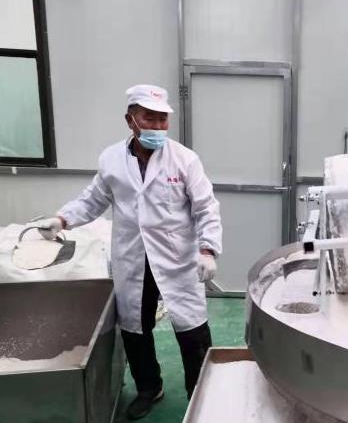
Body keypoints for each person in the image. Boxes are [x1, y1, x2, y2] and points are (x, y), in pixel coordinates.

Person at [35, 84, 222, 420]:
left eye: (162, 119)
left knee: (193, 330)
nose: (157, 126)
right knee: (135, 329)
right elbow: (93, 200)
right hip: (133, 258)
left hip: (177, 259)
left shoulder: (185, 159)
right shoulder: (111, 160)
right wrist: (62, 219)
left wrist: (207, 249)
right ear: (130, 120)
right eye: (149, 118)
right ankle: (150, 388)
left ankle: (202, 395)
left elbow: (206, 207)